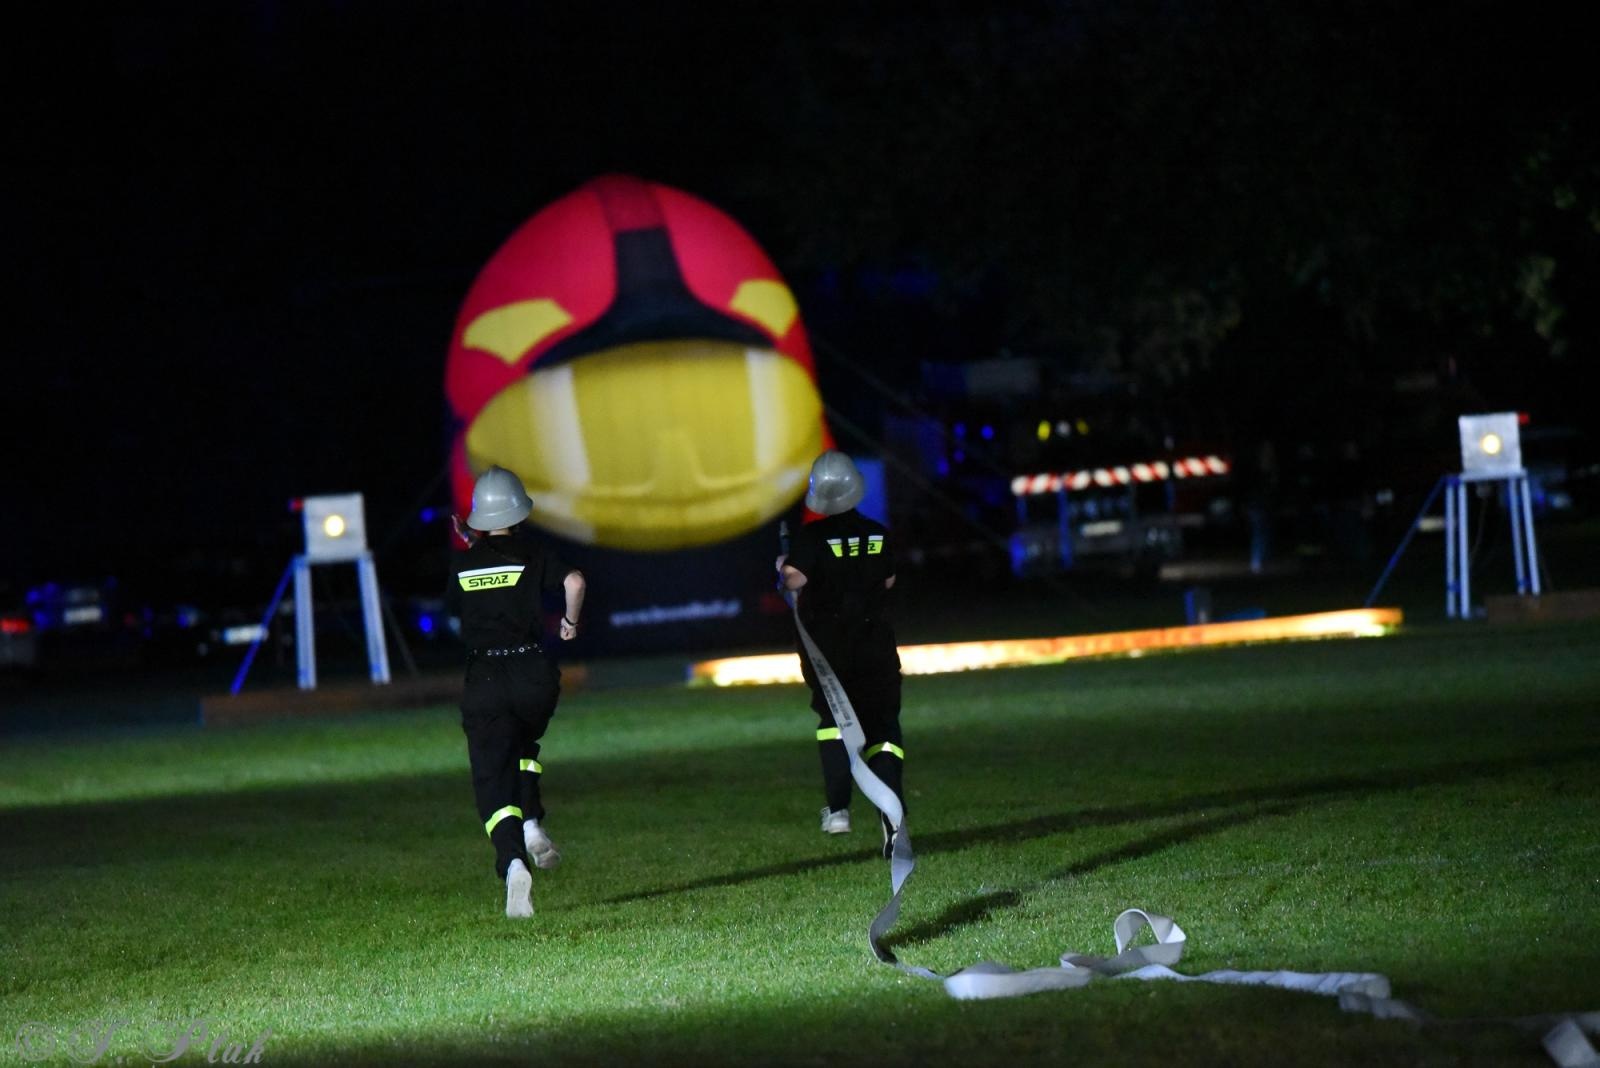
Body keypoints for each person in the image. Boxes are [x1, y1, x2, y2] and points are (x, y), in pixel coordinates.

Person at [450, 465, 586, 918]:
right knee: (524, 745)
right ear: (519, 510)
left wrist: (474, 550)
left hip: (486, 678)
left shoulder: (463, 562)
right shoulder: (533, 552)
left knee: (493, 778)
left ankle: (512, 863)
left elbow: (458, 606)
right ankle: (530, 823)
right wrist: (569, 623)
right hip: (533, 674)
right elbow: (575, 582)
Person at [778, 451, 905, 856]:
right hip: (876, 650)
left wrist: (782, 567)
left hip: (829, 655)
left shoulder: (811, 538)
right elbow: (887, 581)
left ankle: (838, 810)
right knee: (884, 731)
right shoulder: (878, 533)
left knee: (833, 722)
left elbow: (793, 578)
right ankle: (892, 818)